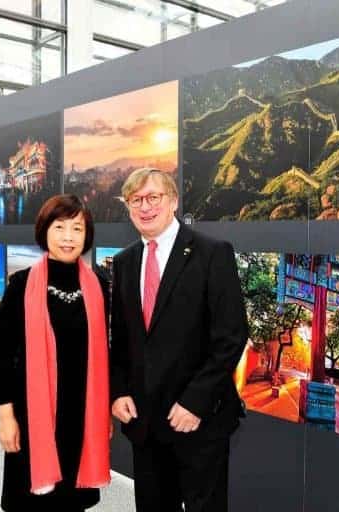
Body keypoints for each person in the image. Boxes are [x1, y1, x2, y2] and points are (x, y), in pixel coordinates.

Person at [110, 168, 249, 512]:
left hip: (199, 421)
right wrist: (119, 391)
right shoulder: (125, 262)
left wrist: (195, 403)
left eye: (153, 197)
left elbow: (231, 337)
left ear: (173, 201)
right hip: (144, 422)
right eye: (136, 200)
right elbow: (123, 338)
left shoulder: (211, 253)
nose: (145, 207)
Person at [0, 194, 111, 511]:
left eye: (77, 228)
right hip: (32, 413)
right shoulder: (20, 285)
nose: (68, 237)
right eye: (60, 227)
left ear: (87, 235)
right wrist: (6, 418)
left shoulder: (100, 285)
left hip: (81, 413)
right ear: (45, 230)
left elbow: (106, 353)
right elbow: (3, 356)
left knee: (73, 500)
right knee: (31, 501)